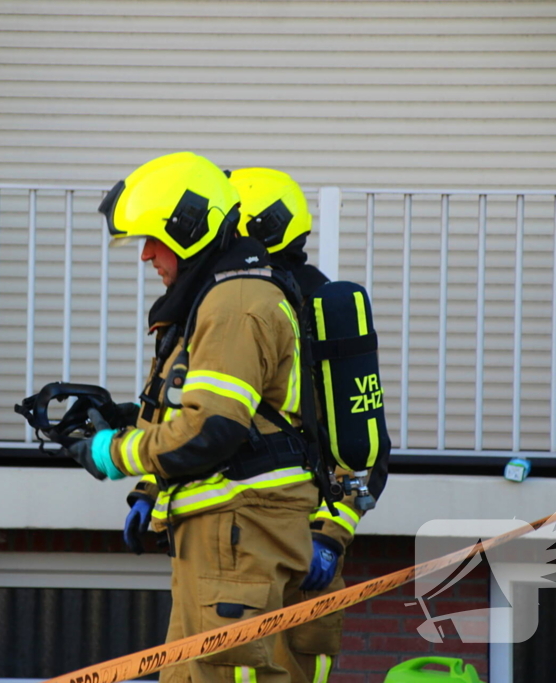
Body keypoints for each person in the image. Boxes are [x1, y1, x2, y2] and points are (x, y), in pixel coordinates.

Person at [64, 151, 321, 683]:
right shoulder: (223, 293)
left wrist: (112, 453)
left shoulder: (235, 301)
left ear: (187, 232)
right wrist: (134, 449)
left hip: (236, 532)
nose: (146, 257)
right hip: (224, 533)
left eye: (152, 240)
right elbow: (203, 410)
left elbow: (212, 430)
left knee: (219, 675)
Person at [230, 167, 371, 683]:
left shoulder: (296, 311)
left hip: (290, 543)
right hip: (263, 543)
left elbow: (363, 448)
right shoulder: (246, 304)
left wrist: (331, 537)